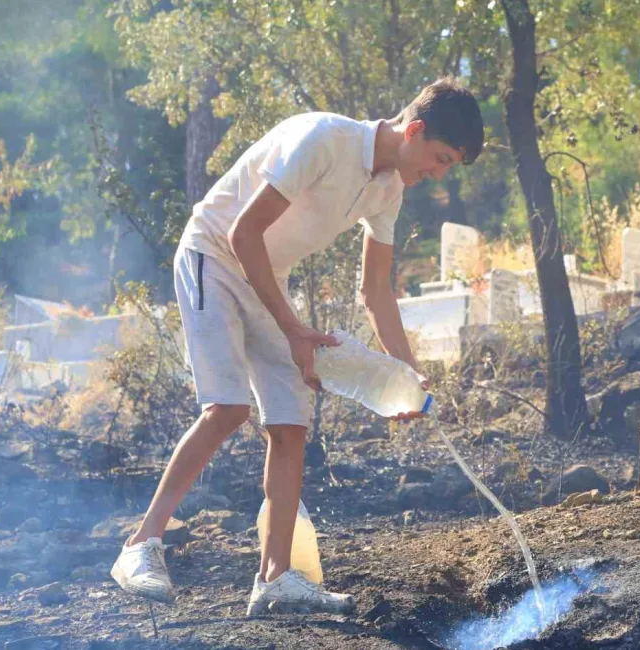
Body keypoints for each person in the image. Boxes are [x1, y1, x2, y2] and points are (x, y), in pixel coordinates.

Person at [110, 77, 484, 616]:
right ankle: (140, 546)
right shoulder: (323, 139)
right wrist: (293, 329)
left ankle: (275, 578)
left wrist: (407, 375)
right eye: (441, 158)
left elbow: (375, 291)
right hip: (210, 257)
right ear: (416, 129)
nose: (440, 173)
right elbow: (242, 234)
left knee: (290, 422)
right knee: (228, 408)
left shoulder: (389, 189)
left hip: (265, 276)